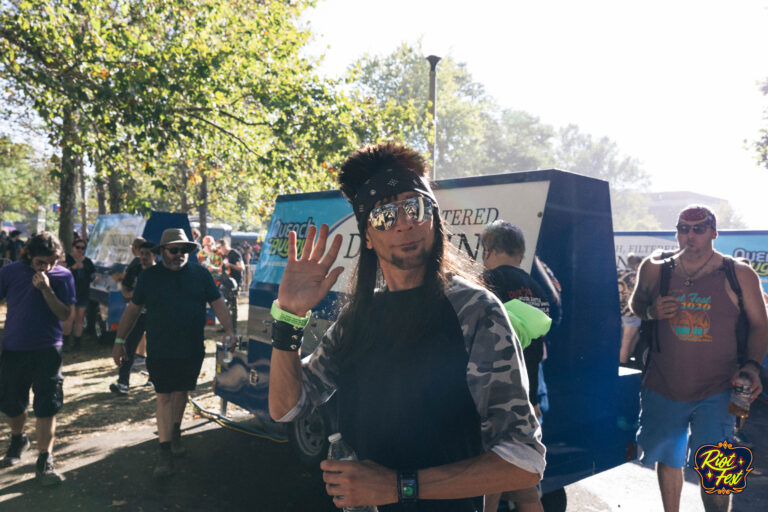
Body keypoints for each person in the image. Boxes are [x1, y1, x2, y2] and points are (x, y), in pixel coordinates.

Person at [268, 143, 545, 511]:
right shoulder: (359, 316)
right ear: (367, 236)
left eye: (414, 206)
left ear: (433, 216)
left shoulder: (474, 311)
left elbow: (523, 463)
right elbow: (286, 407)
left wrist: (400, 487)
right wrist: (289, 317)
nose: (404, 222)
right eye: (383, 215)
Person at [629, 205, 768, 512]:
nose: (689, 236)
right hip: (664, 383)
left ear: (714, 233)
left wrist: (752, 366)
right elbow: (636, 303)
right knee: (668, 457)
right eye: (682, 229)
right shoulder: (655, 268)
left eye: (698, 229)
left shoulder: (738, 273)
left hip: (720, 387)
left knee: (718, 469)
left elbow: (761, 324)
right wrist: (651, 311)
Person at [112, 229, 235, 479]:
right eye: (174, 250)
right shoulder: (150, 277)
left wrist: (231, 330)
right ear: (163, 252)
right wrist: (119, 340)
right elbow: (133, 310)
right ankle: (164, 452)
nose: (180, 255)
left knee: (181, 392)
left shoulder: (200, 274)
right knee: (164, 396)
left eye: (184, 250)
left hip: (191, 348)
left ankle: (175, 432)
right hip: (160, 348)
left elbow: (218, 302)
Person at [480, 221, 547, 512]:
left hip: (493, 396)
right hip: (527, 397)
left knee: (487, 480)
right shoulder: (537, 289)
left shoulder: (487, 281)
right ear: (521, 253)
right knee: (525, 485)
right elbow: (538, 348)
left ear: (489, 250)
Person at [0, 232, 75, 485]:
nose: (47, 266)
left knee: (47, 404)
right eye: (41, 261)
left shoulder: (63, 276)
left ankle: (45, 459)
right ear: (29, 255)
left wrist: (46, 288)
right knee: (11, 403)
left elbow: (65, 315)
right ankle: (19, 437)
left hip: (47, 349)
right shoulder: (10, 272)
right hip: (14, 349)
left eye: (52, 261)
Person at [109, 241, 156, 395]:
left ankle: (154, 378)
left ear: (154, 255)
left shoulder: (159, 272)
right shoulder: (134, 268)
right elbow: (125, 292)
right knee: (129, 346)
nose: (143, 257)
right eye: (141, 254)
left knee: (154, 347)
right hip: (136, 314)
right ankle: (123, 383)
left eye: (147, 254)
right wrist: (136, 294)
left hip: (155, 314)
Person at [62, 238, 96, 351]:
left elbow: (92, 275)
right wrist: (72, 268)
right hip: (69, 292)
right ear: (73, 247)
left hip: (83, 292)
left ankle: (77, 342)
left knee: (80, 318)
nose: (80, 250)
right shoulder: (67, 258)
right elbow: (60, 272)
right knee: (69, 317)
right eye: (78, 247)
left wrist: (94, 279)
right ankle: (65, 342)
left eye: (83, 248)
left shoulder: (87, 261)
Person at [618, 253, 643, 365]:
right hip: (632, 312)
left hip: (620, 310)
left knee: (634, 336)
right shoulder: (637, 276)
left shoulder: (619, 273)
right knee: (627, 340)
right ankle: (623, 363)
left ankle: (626, 358)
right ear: (638, 265)